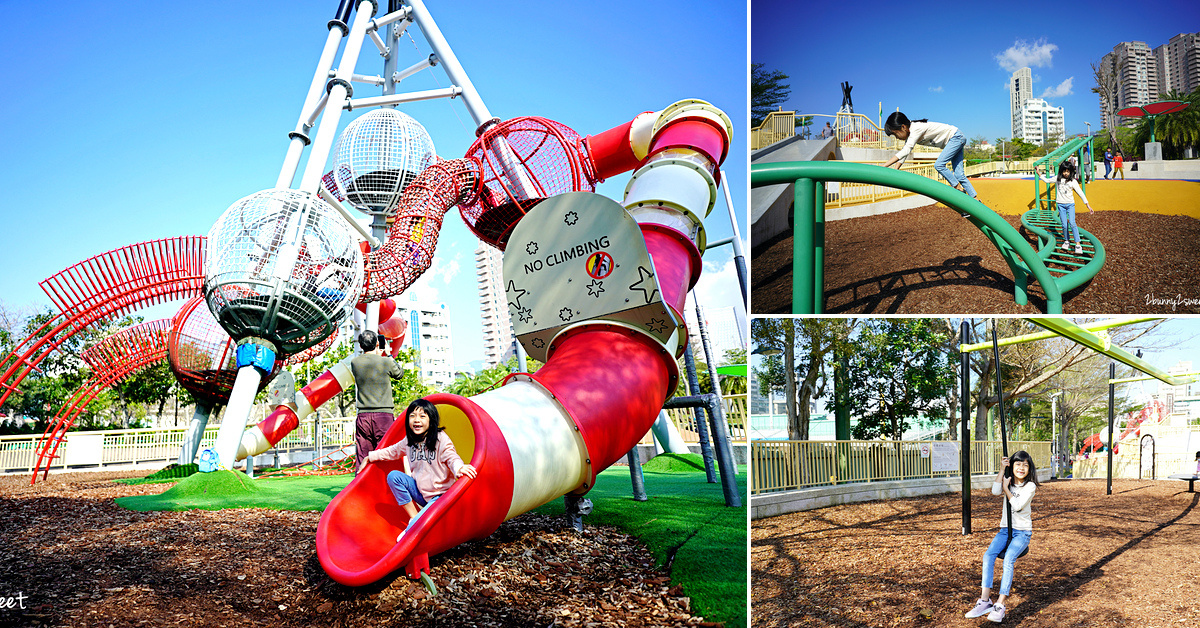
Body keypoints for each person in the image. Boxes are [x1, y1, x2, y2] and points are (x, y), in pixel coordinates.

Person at [364, 398, 478, 541]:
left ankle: (415, 524)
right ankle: (414, 518)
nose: (417, 420)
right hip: (421, 493)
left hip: (441, 496)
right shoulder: (409, 441)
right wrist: (370, 456)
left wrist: (459, 467)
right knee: (394, 476)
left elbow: (451, 456)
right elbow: (392, 451)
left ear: (431, 419)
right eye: (412, 416)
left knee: (415, 530)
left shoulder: (440, 439)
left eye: (422, 416)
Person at [965, 451, 1040, 623]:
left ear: (1030, 468)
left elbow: (1019, 506)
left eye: (1025, 465)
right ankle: (985, 601)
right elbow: (994, 491)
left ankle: (1000, 604)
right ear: (1011, 466)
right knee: (988, 556)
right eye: (1017, 464)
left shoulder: (1030, 486)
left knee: (1008, 560)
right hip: (1005, 530)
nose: (1021, 468)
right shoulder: (1009, 481)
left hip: (1022, 532)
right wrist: (1001, 470)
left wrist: (1007, 488)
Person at [880, 112, 977, 217]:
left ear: (903, 127)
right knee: (959, 175)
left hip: (955, 137)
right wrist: (896, 168)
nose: (897, 138)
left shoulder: (915, 128)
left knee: (939, 165)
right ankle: (975, 201)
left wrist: (884, 167)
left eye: (895, 134)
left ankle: (958, 188)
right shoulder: (911, 134)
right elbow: (905, 153)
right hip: (957, 137)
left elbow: (905, 151)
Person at [351, 330, 404, 474]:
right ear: (377, 343)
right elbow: (399, 374)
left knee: (363, 455)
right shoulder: (386, 361)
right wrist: (388, 354)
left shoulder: (355, 362)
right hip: (383, 415)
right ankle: (387, 489)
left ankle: (361, 490)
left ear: (361, 345)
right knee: (387, 453)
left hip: (363, 416)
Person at [1036, 162, 1094, 254]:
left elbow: (1080, 193)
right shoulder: (1057, 179)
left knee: (1072, 223)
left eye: (1068, 171)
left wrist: (1087, 204)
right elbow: (1047, 181)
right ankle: (1066, 241)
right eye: (1064, 171)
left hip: (1070, 205)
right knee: (1064, 224)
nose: (1066, 173)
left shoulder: (1073, 181)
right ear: (1061, 171)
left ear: (1071, 172)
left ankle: (1078, 244)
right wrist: (1039, 173)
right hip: (1061, 205)